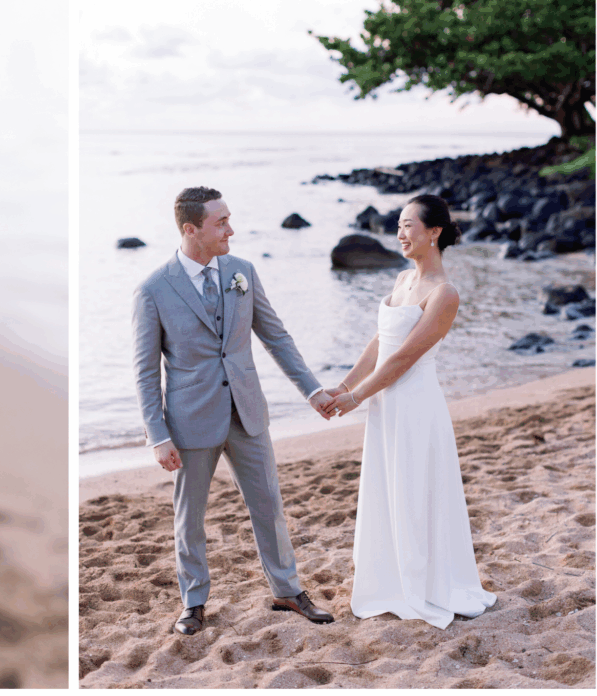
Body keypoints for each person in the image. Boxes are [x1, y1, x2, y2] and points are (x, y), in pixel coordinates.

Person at [132, 186, 335, 636]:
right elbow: (146, 372)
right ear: (191, 229)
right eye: (220, 222)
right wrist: (157, 435)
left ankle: (287, 589)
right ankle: (194, 601)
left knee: (269, 505)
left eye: (228, 219)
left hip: (247, 412)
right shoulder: (153, 290)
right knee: (190, 518)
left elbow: (276, 337)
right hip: (190, 420)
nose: (231, 229)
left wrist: (312, 390)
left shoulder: (242, 272)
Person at [323, 194, 497, 629]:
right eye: (398, 226)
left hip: (416, 405)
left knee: (416, 492)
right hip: (386, 404)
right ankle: (390, 580)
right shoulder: (401, 279)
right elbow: (380, 343)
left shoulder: (445, 294)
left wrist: (356, 397)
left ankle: (424, 584)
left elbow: (403, 359)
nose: (400, 234)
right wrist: (344, 385)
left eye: (408, 225)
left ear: (433, 232)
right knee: (386, 488)